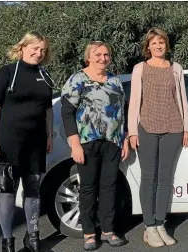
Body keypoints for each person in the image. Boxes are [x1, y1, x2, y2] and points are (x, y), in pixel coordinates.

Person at [0, 31, 54, 252]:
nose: (39, 53)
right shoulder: (7, 73)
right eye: (35, 48)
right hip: (9, 141)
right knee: (8, 190)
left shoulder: (44, 75)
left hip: (35, 142)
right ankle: (7, 241)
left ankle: (32, 237)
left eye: (43, 49)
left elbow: (48, 110)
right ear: (22, 47)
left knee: (33, 188)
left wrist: (50, 135)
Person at [61, 41, 129, 251]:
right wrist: (75, 144)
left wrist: (124, 138)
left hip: (112, 142)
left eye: (106, 54)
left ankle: (108, 231)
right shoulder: (77, 79)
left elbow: (122, 113)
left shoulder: (115, 81)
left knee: (109, 187)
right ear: (88, 57)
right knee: (88, 189)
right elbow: (67, 112)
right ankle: (89, 234)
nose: (103, 58)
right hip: (87, 142)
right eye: (98, 54)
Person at [127, 28, 188, 247]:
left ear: (166, 45)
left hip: (173, 128)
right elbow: (134, 101)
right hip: (147, 127)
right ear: (148, 46)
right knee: (149, 177)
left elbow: (182, 99)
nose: (158, 46)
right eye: (154, 43)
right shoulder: (140, 69)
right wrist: (133, 131)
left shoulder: (176, 69)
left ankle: (160, 224)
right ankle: (149, 227)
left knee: (165, 179)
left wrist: (187, 128)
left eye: (161, 42)